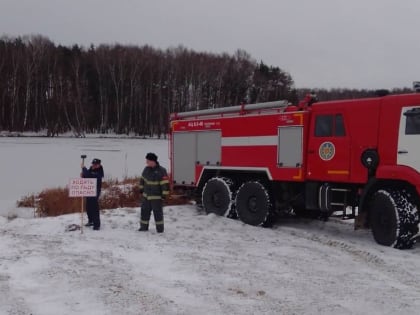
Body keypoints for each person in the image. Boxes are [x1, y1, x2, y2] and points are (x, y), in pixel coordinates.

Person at [139, 152, 170, 233]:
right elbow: (142, 180)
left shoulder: (162, 171)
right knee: (144, 213)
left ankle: (160, 230)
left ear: (153, 161)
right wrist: (141, 189)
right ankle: (143, 228)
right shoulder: (146, 169)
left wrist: (164, 195)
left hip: (156, 198)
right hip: (146, 197)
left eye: (148, 161)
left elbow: (165, 185)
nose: (146, 162)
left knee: (158, 214)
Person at [81, 158, 104, 230]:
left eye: (95, 164)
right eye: (93, 164)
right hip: (89, 190)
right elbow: (87, 176)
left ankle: (97, 225)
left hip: (96, 190)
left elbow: (90, 176)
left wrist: (84, 168)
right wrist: (83, 175)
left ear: (99, 165)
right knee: (88, 206)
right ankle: (90, 221)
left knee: (94, 207)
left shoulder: (99, 172)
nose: (94, 165)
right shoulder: (91, 169)